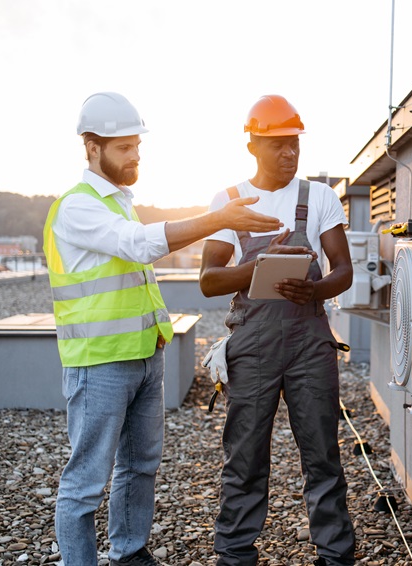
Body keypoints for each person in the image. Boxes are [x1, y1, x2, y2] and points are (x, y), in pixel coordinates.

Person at [44, 91, 282, 566]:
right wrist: (218, 219)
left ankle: (129, 553)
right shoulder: (77, 208)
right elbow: (138, 246)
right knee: (85, 483)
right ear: (92, 148)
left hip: (144, 358)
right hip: (100, 364)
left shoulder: (120, 202)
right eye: (124, 147)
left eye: (137, 145)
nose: (135, 155)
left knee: (140, 466)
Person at [199, 94, 356, 566]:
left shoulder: (319, 197)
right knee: (245, 454)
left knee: (322, 452)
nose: (289, 154)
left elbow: (343, 270)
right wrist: (261, 266)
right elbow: (208, 279)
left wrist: (316, 292)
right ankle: (235, 554)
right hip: (252, 342)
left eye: (295, 145)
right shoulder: (229, 203)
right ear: (253, 146)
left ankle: (334, 556)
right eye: (278, 146)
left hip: (310, 339)